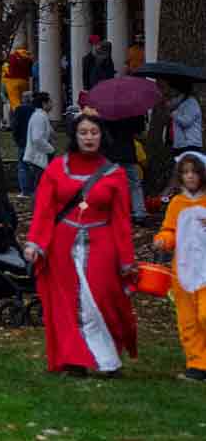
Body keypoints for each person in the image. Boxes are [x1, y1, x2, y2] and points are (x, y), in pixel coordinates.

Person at [28, 109, 138, 375]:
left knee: (100, 299)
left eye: (94, 132)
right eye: (84, 133)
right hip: (62, 244)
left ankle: (107, 360)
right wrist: (35, 243)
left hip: (101, 242)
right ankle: (75, 359)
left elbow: (122, 220)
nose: (89, 138)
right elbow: (44, 208)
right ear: (75, 136)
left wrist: (126, 259)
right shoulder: (57, 168)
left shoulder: (114, 173)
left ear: (102, 136)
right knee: (67, 301)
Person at [155, 149, 206, 381]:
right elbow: (169, 230)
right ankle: (197, 363)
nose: (190, 176)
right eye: (185, 172)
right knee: (188, 319)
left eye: (194, 172)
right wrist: (163, 240)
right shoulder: (177, 203)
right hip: (183, 271)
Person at [18, 92, 56, 198]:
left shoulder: (41, 116)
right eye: (50, 102)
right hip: (39, 157)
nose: (52, 104)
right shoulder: (39, 117)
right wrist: (50, 149)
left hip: (41, 156)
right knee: (41, 184)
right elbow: (37, 138)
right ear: (44, 104)